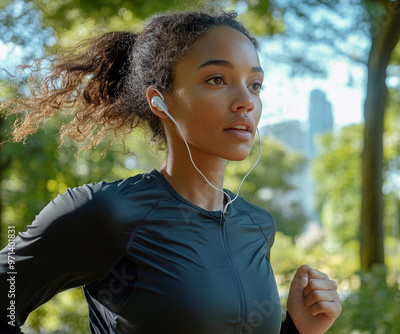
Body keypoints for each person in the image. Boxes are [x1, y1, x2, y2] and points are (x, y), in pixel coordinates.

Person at [0, 11, 341, 334]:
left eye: (255, 85)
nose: (245, 101)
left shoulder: (257, 226)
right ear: (160, 101)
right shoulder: (108, 212)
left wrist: (297, 329)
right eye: (217, 79)